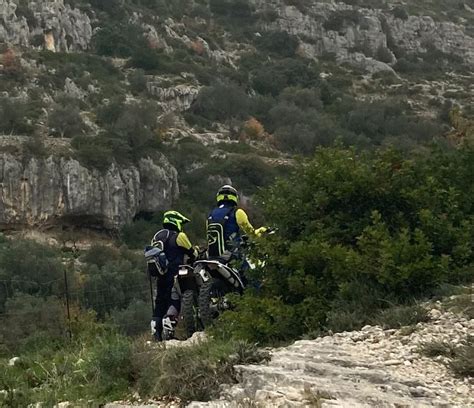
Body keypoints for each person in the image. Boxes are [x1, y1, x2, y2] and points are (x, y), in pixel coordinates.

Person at [149, 210, 197, 341]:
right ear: (176, 221)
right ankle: (169, 330)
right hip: (174, 274)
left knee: (160, 304)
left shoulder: (157, 236)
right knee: (174, 300)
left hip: (160, 276)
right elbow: (193, 253)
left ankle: (155, 332)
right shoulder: (179, 236)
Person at [207, 185, 266, 263]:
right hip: (231, 256)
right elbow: (251, 234)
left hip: (211, 256)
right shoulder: (237, 212)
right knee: (249, 272)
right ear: (235, 197)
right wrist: (263, 230)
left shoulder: (210, 215)